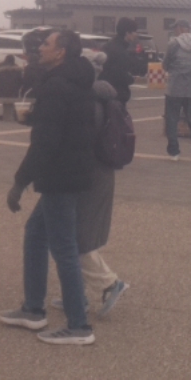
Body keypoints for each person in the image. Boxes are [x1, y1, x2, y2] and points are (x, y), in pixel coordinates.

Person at [0, 30, 96, 345]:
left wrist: (19, 182)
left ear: (60, 52)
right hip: (73, 170)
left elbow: (45, 143)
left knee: (64, 248)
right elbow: (63, 125)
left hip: (60, 174)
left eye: (46, 44)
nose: (40, 48)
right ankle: (33, 308)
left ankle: (79, 326)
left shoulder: (56, 86)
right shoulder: (77, 79)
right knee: (36, 233)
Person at [48, 80, 130, 318]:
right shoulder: (107, 105)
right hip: (102, 173)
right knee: (76, 234)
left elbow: (75, 142)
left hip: (88, 175)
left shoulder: (89, 108)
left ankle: (109, 283)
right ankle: (76, 293)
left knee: (75, 238)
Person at [162, 20, 191, 161]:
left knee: (172, 120)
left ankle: (174, 152)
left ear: (181, 28)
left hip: (174, 88)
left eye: (175, 28)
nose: (175, 31)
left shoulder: (173, 44)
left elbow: (165, 64)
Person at [102, 17, 140, 107]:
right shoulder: (120, 51)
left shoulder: (109, 45)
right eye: (134, 31)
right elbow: (119, 74)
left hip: (106, 92)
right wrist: (131, 79)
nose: (136, 34)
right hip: (116, 95)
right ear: (127, 33)